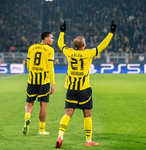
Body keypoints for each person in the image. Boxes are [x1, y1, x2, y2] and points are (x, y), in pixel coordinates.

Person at [55, 20, 117, 148]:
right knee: (87, 114)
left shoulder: (69, 52)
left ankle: (60, 137)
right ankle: (88, 140)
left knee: (67, 113)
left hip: (71, 89)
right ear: (83, 44)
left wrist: (62, 32)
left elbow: (60, 43)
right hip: (84, 89)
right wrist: (111, 32)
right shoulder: (88, 53)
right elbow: (102, 46)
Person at [22, 31, 55, 135]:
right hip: (44, 81)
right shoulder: (50, 50)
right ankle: (41, 130)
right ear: (45, 39)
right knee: (43, 104)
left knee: (29, 102)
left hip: (32, 80)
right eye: (51, 38)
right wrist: (53, 83)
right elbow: (50, 67)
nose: (52, 40)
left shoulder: (31, 48)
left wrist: (32, 74)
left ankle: (27, 118)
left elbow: (28, 65)